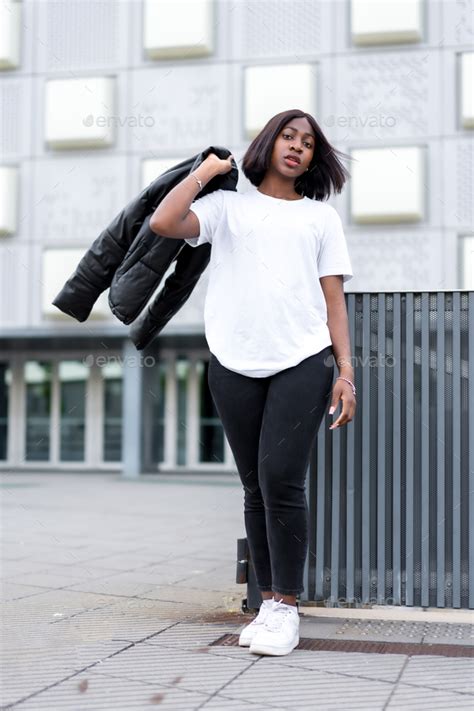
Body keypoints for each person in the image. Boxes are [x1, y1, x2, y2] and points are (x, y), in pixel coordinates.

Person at [149, 109, 356, 657]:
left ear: (314, 157)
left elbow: (334, 301)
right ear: (269, 143)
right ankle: (266, 603)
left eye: (308, 143)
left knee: (282, 480)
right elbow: (164, 224)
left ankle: (285, 606)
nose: (297, 148)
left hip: (302, 360)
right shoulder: (226, 207)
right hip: (233, 362)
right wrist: (205, 171)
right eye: (288, 137)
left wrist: (347, 373)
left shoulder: (320, 219)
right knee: (254, 488)